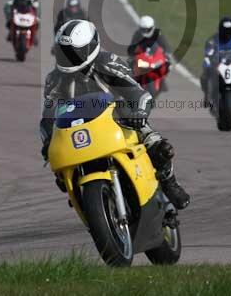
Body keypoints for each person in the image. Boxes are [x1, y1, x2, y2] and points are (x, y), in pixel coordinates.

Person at [39, 20, 190, 209]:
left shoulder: (107, 62)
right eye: (64, 52)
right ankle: (84, 198)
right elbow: (48, 115)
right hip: (78, 129)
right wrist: (48, 141)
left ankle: (170, 184)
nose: (68, 57)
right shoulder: (54, 79)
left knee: (158, 146)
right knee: (60, 172)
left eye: (73, 52)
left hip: (120, 118)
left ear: (89, 48)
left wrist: (139, 113)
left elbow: (138, 92)